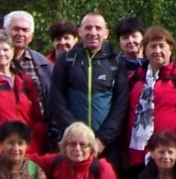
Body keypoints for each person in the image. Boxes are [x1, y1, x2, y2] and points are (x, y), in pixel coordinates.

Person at [49, 13, 131, 157]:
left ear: (106, 33)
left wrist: (102, 140)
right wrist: (76, 137)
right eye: (88, 28)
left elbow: (120, 106)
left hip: (107, 145)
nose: (93, 33)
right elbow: (57, 101)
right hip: (73, 144)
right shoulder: (66, 60)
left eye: (98, 28)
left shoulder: (116, 62)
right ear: (80, 32)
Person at [0, 12, 54, 149]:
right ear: (5, 32)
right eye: (16, 29)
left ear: (31, 37)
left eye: (25, 30)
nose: (20, 34)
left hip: (33, 140)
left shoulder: (43, 64)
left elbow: (50, 103)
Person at [125, 27, 176, 172]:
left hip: (171, 155)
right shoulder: (134, 79)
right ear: (145, 50)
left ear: (170, 49)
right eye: (152, 46)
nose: (157, 51)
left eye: (162, 46)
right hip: (138, 155)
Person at [116, 16, 147, 83]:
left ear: (143, 38)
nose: (131, 41)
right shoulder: (114, 68)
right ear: (119, 43)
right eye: (125, 38)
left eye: (134, 36)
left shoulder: (154, 64)